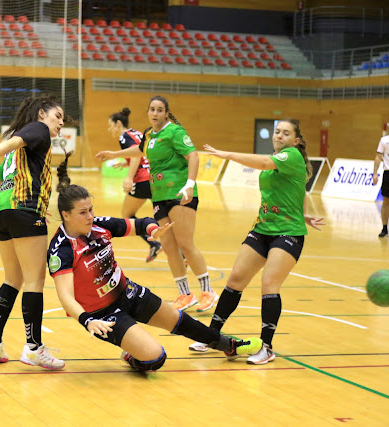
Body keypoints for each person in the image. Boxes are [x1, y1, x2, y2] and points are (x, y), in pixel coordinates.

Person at [47, 153, 263, 372]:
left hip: (128, 293)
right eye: (83, 213)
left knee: (180, 321)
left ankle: (230, 346)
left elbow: (141, 223)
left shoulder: (100, 226)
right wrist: (87, 321)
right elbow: (65, 297)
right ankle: (131, 354)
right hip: (101, 315)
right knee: (155, 358)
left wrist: (153, 230)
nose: (90, 216)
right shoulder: (61, 249)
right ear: (66, 215)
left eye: (91, 209)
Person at [188, 119, 325, 365]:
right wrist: (303, 213)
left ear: (296, 141)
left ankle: (267, 347)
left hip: (288, 233)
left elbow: (262, 163)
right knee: (235, 280)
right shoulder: (280, 159)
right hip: (262, 228)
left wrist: (225, 154)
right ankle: (210, 336)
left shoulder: (291, 155)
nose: (279, 136)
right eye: (277, 132)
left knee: (269, 284)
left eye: (286, 133)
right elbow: (296, 191)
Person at [0, 95, 66, 370]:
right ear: (41, 114)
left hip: (0, 210)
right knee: (35, 279)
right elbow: (15, 141)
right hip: (23, 209)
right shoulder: (39, 130)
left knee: (13, 278)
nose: (59, 122)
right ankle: (34, 348)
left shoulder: (18, 150)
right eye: (56, 116)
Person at [96, 96, 217, 313]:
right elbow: (139, 151)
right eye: (152, 109)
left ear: (166, 113)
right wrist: (113, 154)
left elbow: (193, 156)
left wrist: (189, 185)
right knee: (169, 247)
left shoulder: (175, 132)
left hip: (179, 193)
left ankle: (207, 291)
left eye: (159, 110)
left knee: (185, 244)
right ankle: (184, 294)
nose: (155, 113)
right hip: (159, 194)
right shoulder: (149, 134)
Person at [107, 108, 162, 263]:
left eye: (110, 125)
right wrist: (125, 163)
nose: (109, 129)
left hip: (142, 180)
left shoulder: (124, 137)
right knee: (164, 218)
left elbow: (137, 157)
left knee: (127, 215)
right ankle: (181, 253)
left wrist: (129, 178)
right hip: (154, 178)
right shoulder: (136, 133)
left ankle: (154, 243)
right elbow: (143, 154)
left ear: (118, 124)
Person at [373, 115, 389, 238]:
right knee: (386, 201)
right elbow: (378, 157)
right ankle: (384, 228)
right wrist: (375, 173)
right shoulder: (384, 140)